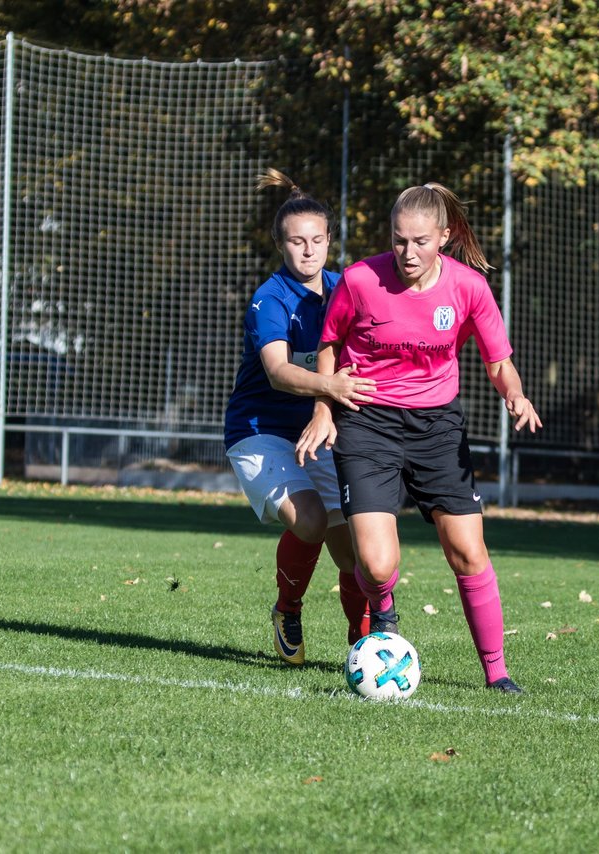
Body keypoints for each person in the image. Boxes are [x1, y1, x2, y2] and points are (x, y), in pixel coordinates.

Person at [296, 182, 542, 694]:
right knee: (378, 564)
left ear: (445, 237)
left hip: (437, 429)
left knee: (469, 552)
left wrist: (514, 394)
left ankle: (497, 673)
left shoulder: (469, 287)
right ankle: (383, 612)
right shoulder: (362, 279)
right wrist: (324, 407)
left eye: (421, 242)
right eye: (399, 240)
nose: (408, 253)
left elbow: (499, 361)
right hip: (367, 422)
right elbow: (329, 345)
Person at [223, 169, 374, 666]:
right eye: (296, 242)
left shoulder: (345, 289)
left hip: (319, 429)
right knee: (309, 520)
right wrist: (329, 387)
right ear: (279, 245)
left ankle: (365, 642)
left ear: (330, 240)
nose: (308, 251)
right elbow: (278, 372)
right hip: (260, 432)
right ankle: (287, 609)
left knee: (355, 552)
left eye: (316, 240)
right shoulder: (270, 300)